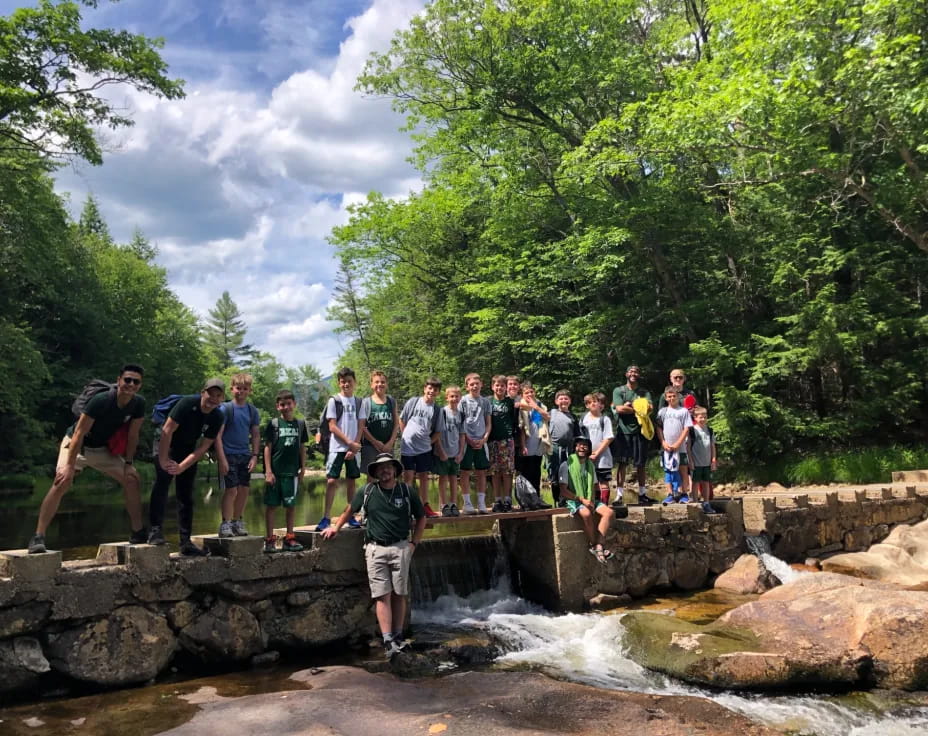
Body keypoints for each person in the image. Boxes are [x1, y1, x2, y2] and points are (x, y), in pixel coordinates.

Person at [28, 364, 147, 553]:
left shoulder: (138, 404)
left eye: (136, 381)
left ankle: (138, 532)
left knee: (132, 480)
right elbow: (79, 434)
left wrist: (129, 464)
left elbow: (133, 435)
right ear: (119, 381)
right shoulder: (101, 401)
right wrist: (69, 466)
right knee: (62, 482)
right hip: (77, 446)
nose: (131, 384)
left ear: (140, 385)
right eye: (127, 380)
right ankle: (38, 537)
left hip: (102, 450)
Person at [321, 453, 426, 659]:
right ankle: (388, 639)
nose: (384, 471)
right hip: (375, 549)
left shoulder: (406, 491)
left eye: (388, 467)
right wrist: (336, 528)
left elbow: (421, 517)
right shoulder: (367, 491)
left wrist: (414, 543)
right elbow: (350, 510)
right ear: (376, 472)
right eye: (380, 468)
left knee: (399, 593)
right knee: (382, 595)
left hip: (401, 547)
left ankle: (398, 635)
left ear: (395, 470)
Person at [148, 378, 226, 555]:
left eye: (218, 396)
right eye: (210, 394)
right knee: (162, 483)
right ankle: (155, 531)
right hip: (165, 443)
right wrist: (163, 460)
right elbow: (167, 430)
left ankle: (185, 542)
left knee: (186, 494)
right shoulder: (187, 404)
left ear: (222, 398)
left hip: (188, 449)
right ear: (202, 392)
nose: (213, 399)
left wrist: (182, 466)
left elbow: (204, 447)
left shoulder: (217, 416)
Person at [317, 367, 368, 531]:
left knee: (351, 481)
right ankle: (326, 517)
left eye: (349, 381)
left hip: (353, 448)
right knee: (332, 481)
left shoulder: (360, 402)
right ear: (339, 383)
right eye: (343, 381)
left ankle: (350, 515)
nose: (346, 384)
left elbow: (361, 426)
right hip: (336, 447)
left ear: (355, 382)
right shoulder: (334, 401)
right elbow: (332, 426)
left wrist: (355, 446)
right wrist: (348, 443)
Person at [215, 373, 260, 538]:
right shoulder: (226, 409)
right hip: (228, 455)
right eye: (238, 388)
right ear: (232, 389)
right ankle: (225, 523)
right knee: (231, 489)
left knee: (244, 489)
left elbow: (255, 434)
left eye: (245, 389)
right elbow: (217, 435)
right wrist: (221, 459)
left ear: (250, 391)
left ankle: (237, 520)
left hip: (245, 455)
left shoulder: (252, 410)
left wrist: (255, 456)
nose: (241, 391)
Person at [262, 390, 308, 552]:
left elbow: (302, 448)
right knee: (272, 506)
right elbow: (267, 448)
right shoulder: (274, 424)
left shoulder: (300, 424)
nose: (286, 407)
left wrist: (303, 468)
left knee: (291, 506)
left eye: (289, 404)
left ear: (294, 404)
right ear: (277, 407)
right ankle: (269, 539)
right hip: (275, 473)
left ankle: (289, 537)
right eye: (282, 405)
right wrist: (268, 471)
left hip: (292, 473)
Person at [558, 436, 615, 564]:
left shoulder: (590, 465)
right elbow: (563, 491)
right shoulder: (566, 465)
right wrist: (582, 500)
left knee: (609, 512)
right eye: (579, 445)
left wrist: (593, 501)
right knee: (586, 513)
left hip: (589, 499)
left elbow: (595, 486)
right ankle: (594, 544)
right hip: (572, 499)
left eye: (585, 445)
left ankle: (599, 544)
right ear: (574, 447)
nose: (582, 447)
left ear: (589, 449)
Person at [399, 377, 444, 518]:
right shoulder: (413, 402)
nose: (432, 391)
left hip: (424, 449)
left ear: (438, 392)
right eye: (429, 388)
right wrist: (405, 435)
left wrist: (428, 442)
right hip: (408, 447)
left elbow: (438, 431)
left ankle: (424, 505)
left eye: (435, 389)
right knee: (408, 476)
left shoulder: (437, 410)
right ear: (425, 389)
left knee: (424, 477)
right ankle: (407, 506)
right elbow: (402, 419)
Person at [612, 365, 654, 506]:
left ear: (639, 375)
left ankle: (642, 494)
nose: (633, 373)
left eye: (636, 371)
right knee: (622, 464)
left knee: (640, 464)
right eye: (630, 371)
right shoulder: (619, 390)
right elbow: (619, 409)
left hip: (640, 431)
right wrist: (639, 407)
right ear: (626, 374)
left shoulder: (644, 391)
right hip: (623, 433)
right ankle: (619, 496)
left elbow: (650, 409)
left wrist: (629, 406)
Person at [657, 368, 696, 493]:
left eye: (680, 377)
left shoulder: (690, 393)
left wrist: (693, 412)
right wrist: (663, 441)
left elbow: (697, 411)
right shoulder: (665, 395)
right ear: (670, 378)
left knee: (687, 463)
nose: (678, 379)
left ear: (684, 379)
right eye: (675, 377)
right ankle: (675, 491)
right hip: (669, 436)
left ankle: (689, 492)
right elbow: (660, 419)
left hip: (688, 431)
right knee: (671, 466)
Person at [458, 372, 492, 514]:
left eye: (477, 384)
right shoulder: (463, 401)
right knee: (465, 471)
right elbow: (459, 422)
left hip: (481, 440)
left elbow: (488, 423)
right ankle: (467, 503)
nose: (474, 386)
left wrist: (484, 438)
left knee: (481, 472)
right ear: (467, 387)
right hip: (467, 441)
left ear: (481, 384)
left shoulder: (485, 402)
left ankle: (482, 503)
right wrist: (468, 439)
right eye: (471, 384)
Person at [360, 371, 399, 480]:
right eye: (376, 382)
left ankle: (387, 498)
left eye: (383, 382)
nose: (380, 384)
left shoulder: (392, 401)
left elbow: (396, 424)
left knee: (389, 477)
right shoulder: (366, 403)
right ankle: (370, 497)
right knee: (371, 477)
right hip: (370, 446)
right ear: (371, 384)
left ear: (386, 384)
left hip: (388, 446)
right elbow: (362, 427)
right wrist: (376, 443)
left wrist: (390, 443)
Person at [581, 392, 617, 507]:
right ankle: (594, 505)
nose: (593, 404)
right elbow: (580, 437)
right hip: (587, 455)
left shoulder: (604, 419)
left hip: (602, 456)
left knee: (603, 481)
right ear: (587, 405)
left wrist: (596, 453)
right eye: (590, 402)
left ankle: (604, 505)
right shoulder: (584, 418)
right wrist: (585, 453)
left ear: (600, 404)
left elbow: (608, 438)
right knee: (592, 482)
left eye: (595, 402)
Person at [488, 374, 517, 513]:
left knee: (507, 471)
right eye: (497, 385)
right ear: (492, 387)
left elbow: (524, 406)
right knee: (495, 472)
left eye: (502, 385)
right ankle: (497, 499)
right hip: (492, 440)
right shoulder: (488, 402)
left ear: (506, 387)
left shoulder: (509, 402)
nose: (499, 388)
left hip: (507, 440)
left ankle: (507, 499)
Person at [435, 385, 465, 516]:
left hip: (455, 452)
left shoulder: (461, 415)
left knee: (453, 478)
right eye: (451, 396)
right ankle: (443, 505)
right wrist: (441, 451)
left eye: (456, 396)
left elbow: (462, 435)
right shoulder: (442, 412)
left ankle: (453, 503)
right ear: (446, 397)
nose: (454, 399)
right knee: (443, 478)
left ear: (460, 398)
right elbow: (437, 434)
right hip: (443, 452)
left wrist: (460, 452)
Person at [517, 382, 550, 500]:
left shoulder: (540, 404)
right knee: (526, 472)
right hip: (527, 442)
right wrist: (522, 445)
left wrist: (535, 407)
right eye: (526, 393)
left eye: (531, 392)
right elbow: (521, 428)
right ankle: (526, 498)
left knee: (536, 471)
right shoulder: (520, 406)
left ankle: (537, 497)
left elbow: (547, 416)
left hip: (539, 442)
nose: (529, 394)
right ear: (522, 394)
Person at [547, 389, 579, 505]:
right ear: (556, 401)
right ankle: (556, 499)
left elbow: (577, 435)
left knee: (567, 474)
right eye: (561, 398)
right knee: (554, 474)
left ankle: (566, 498)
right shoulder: (552, 413)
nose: (564, 401)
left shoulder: (573, 417)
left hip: (569, 449)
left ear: (570, 401)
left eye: (566, 398)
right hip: (555, 448)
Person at [689, 406, 717, 514]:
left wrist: (713, 460)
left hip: (707, 462)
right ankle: (696, 503)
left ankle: (706, 503)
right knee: (695, 482)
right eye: (701, 417)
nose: (703, 419)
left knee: (706, 482)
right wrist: (690, 461)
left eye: (705, 417)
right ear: (695, 418)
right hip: (696, 462)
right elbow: (688, 447)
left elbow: (712, 446)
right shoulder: (692, 430)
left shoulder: (709, 430)